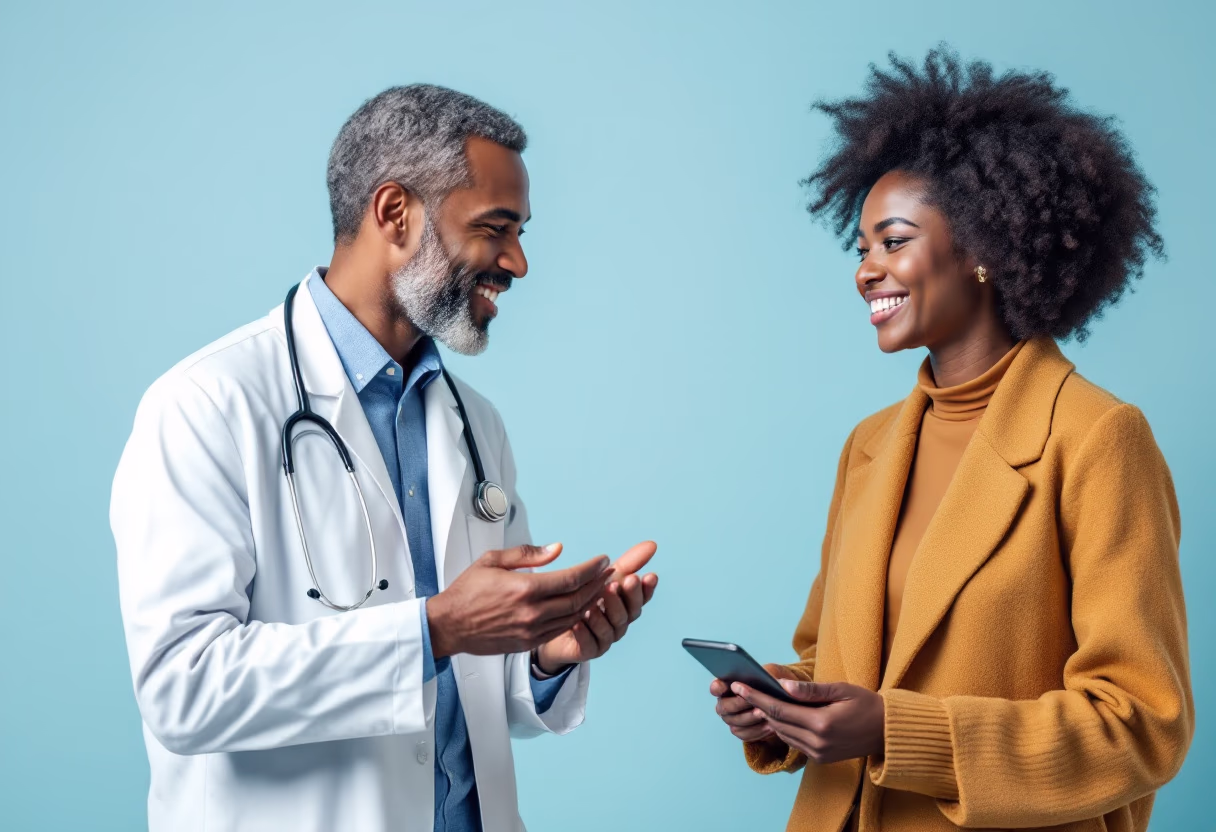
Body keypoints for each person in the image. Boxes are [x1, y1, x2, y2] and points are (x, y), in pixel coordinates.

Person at [111, 84, 659, 832]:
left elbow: (469, 691)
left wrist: (547, 655)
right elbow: (185, 689)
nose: (519, 263)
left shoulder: (476, 424)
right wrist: (432, 627)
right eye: (495, 228)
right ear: (394, 213)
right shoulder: (206, 405)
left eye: (522, 231)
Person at [710, 48, 1192, 832]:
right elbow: (834, 663)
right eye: (860, 247)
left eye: (892, 241)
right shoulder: (869, 447)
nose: (867, 270)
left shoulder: (1098, 439)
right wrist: (781, 700)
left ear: (983, 252)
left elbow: (1142, 724)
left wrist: (898, 733)